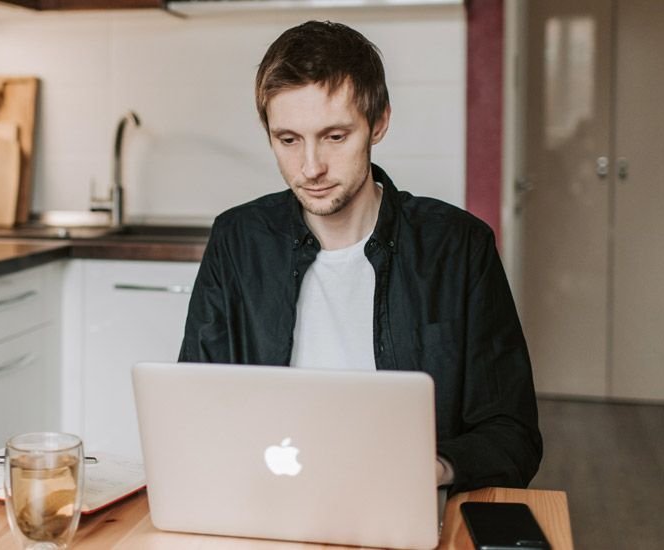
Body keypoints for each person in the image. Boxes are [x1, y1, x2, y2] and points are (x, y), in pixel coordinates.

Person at [178, 20, 542, 494]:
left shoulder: (458, 247)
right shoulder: (237, 239)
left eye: (334, 136)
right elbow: (193, 409)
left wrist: (430, 470)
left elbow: (512, 436)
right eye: (288, 140)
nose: (311, 168)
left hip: (404, 504)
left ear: (379, 122)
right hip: (264, 501)